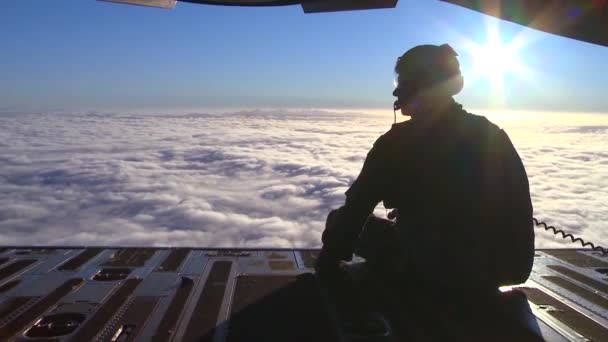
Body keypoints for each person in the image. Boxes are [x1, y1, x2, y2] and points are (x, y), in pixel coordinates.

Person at [316, 43, 534, 297]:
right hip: (505, 271)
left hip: (438, 272)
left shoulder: (397, 143)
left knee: (339, 219)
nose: (397, 91)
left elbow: (355, 211)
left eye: (403, 82)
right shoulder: (492, 133)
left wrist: (327, 265)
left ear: (416, 86)